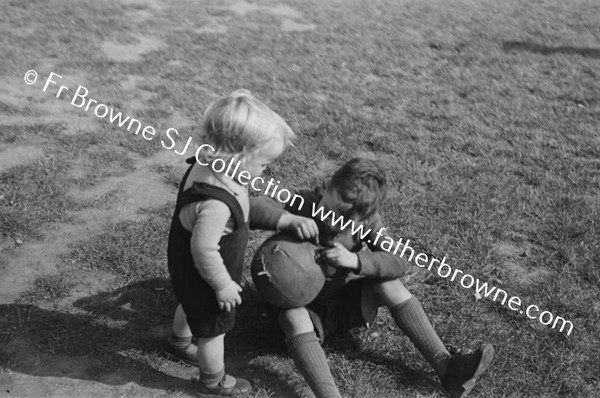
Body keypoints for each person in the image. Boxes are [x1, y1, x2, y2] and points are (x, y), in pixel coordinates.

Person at [251, 157, 494, 398]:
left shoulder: (367, 222)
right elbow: (250, 207)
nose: (331, 221)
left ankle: (447, 367)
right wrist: (288, 219)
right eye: (328, 210)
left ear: (362, 217)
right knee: (294, 317)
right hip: (301, 308)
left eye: (343, 221)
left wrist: (356, 261)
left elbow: (399, 261)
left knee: (389, 284)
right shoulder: (303, 202)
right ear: (326, 187)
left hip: (344, 305)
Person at [166, 89, 313, 396]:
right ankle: (213, 380)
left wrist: (284, 220)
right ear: (237, 157)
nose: (265, 170)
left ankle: (179, 341)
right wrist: (221, 284)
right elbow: (203, 248)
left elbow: (244, 208)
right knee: (212, 328)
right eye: (262, 163)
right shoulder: (216, 203)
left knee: (189, 301)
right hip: (206, 268)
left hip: (187, 267)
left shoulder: (209, 167)